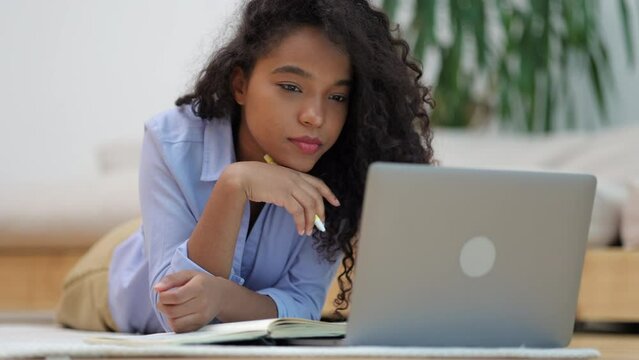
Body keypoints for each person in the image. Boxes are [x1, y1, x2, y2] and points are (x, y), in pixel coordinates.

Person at [55, 0, 435, 334]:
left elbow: (302, 306)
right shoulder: (170, 138)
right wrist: (234, 184)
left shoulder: (344, 171)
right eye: (291, 87)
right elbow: (174, 307)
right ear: (240, 84)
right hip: (111, 274)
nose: (314, 116)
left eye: (337, 96)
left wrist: (221, 297)